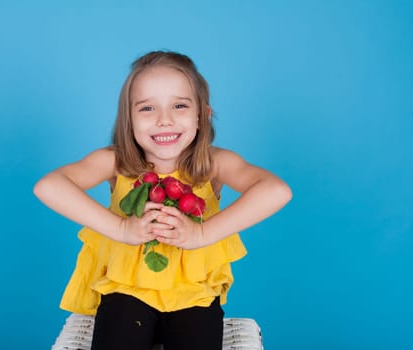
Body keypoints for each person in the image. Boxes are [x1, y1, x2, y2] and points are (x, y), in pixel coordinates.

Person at [34, 50, 292, 350]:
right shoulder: (117, 161)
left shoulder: (214, 164)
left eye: (179, 105)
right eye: (147, 109)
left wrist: (201, 233)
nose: (164, 120)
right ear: (128, 119)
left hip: (195, 295)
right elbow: (49, 186)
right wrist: (120, 228)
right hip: (125, 292)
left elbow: (276, 190)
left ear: (202, 115)